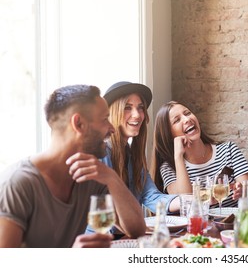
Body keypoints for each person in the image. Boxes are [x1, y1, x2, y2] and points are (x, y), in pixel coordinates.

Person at [0, 85, 146, 248]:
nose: (112, 128)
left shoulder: (92, 176)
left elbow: (136, 230)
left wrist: (112, 178)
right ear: (79, 124)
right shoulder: (17, 184)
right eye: (105, 119)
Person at [150, 100, 248, 208]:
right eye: (177, 120)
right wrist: (178, 157)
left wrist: (244, 192)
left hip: (233, 223)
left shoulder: (229, 150)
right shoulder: (169, 167)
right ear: (169, 135)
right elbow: (185, 202)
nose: (187, 119)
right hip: (198, 224)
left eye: (187, 113)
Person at [101, 81, 179, 215]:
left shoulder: (132, 155)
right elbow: (99, 210)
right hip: (102, 234)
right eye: (127, 107)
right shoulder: (101, 153)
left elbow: (152, 197)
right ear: (112, 112)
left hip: (126, 235)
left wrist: (193, 200)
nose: (137, 115)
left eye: (140, 107)